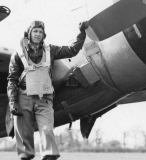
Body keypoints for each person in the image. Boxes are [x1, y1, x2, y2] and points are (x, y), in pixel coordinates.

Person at [7, 20, 89, 160]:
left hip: (44, 99)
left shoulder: (51, 50)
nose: (38, 34)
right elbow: (12, 79)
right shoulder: (17, 54)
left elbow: (72, 50)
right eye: (35, 31)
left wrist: (81, 33)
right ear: (29, 34)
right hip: (23, 98)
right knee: (25, 141)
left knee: (47, 132)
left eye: (40, 32)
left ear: (44, 35)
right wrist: (13, 102)